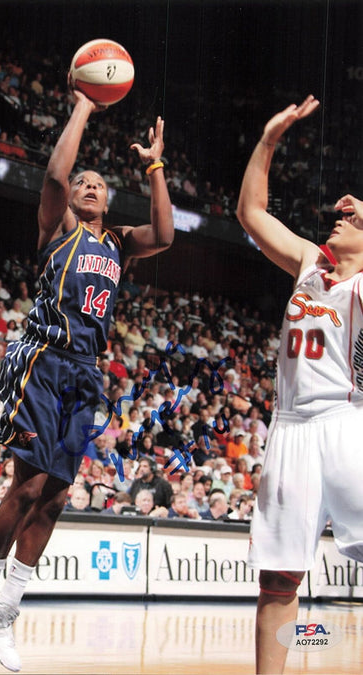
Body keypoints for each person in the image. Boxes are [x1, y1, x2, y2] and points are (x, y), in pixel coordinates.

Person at [0, 84, 174, 670]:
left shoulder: (119, 243)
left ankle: (5, 618)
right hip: (40, 360)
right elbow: (55, 176)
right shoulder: (58, 229)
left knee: (54, 498)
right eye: (84, 183)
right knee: (25, 486)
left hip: (84, 374)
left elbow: (167, 234)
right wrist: (83, 106)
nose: (89, 187)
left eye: (99, 184)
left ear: (109, 199)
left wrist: (155, 166)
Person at [236, 95, 363, 674]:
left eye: (355, 216)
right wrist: (268, 140)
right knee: (279, 576)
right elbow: (252, 215)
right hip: (290, 430)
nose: (341, 212)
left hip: (345, 423)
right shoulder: (310, 261)